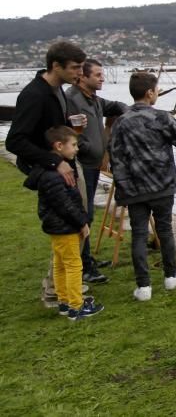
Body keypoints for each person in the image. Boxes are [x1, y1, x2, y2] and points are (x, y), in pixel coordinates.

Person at [109, 71, 176, 302]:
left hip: (134, 190)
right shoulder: (161, 118)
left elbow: (114, 157)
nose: (157, 93)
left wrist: (122, 187)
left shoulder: (120, 123)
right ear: (149, 93)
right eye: (156, 90)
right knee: (164, 230)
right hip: (162, 186)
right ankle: (170, 275)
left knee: (138, 233)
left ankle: (143, 286)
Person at [7, 40, 89, 308]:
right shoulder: (35, 94)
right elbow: (15, 141)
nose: (80, 73)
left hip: (61, 162)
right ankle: (57, 291)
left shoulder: (58, 91)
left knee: (76, 223)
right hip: (52, 170)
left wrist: (69, 129)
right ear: (56, 65)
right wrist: (54, 163)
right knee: (70, 224)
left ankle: (64, 286)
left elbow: (51, 129)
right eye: (75, 67)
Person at [24, 126, 105, 321]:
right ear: (59, 146)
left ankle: (64, 301)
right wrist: (82, 222)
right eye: (74, 145)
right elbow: (65, 205)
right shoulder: (55, 176)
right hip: (66, 227)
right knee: (73, 265)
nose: (77, 149)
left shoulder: (48, 171)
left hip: (56, 227)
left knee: (60, 264)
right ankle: (76, 306)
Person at [66, 58, 129, 284]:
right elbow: (66, 131)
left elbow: (115, 106)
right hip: (81, 165)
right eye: (98, 75)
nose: (102, 78)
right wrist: (82, 149)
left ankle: (86, 258)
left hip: (93, 166)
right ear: (83, 77)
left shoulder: (94, 100)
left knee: (88, 212)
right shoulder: (71, 99)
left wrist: (130, 111)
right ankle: (83, 266)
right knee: (83, 213)